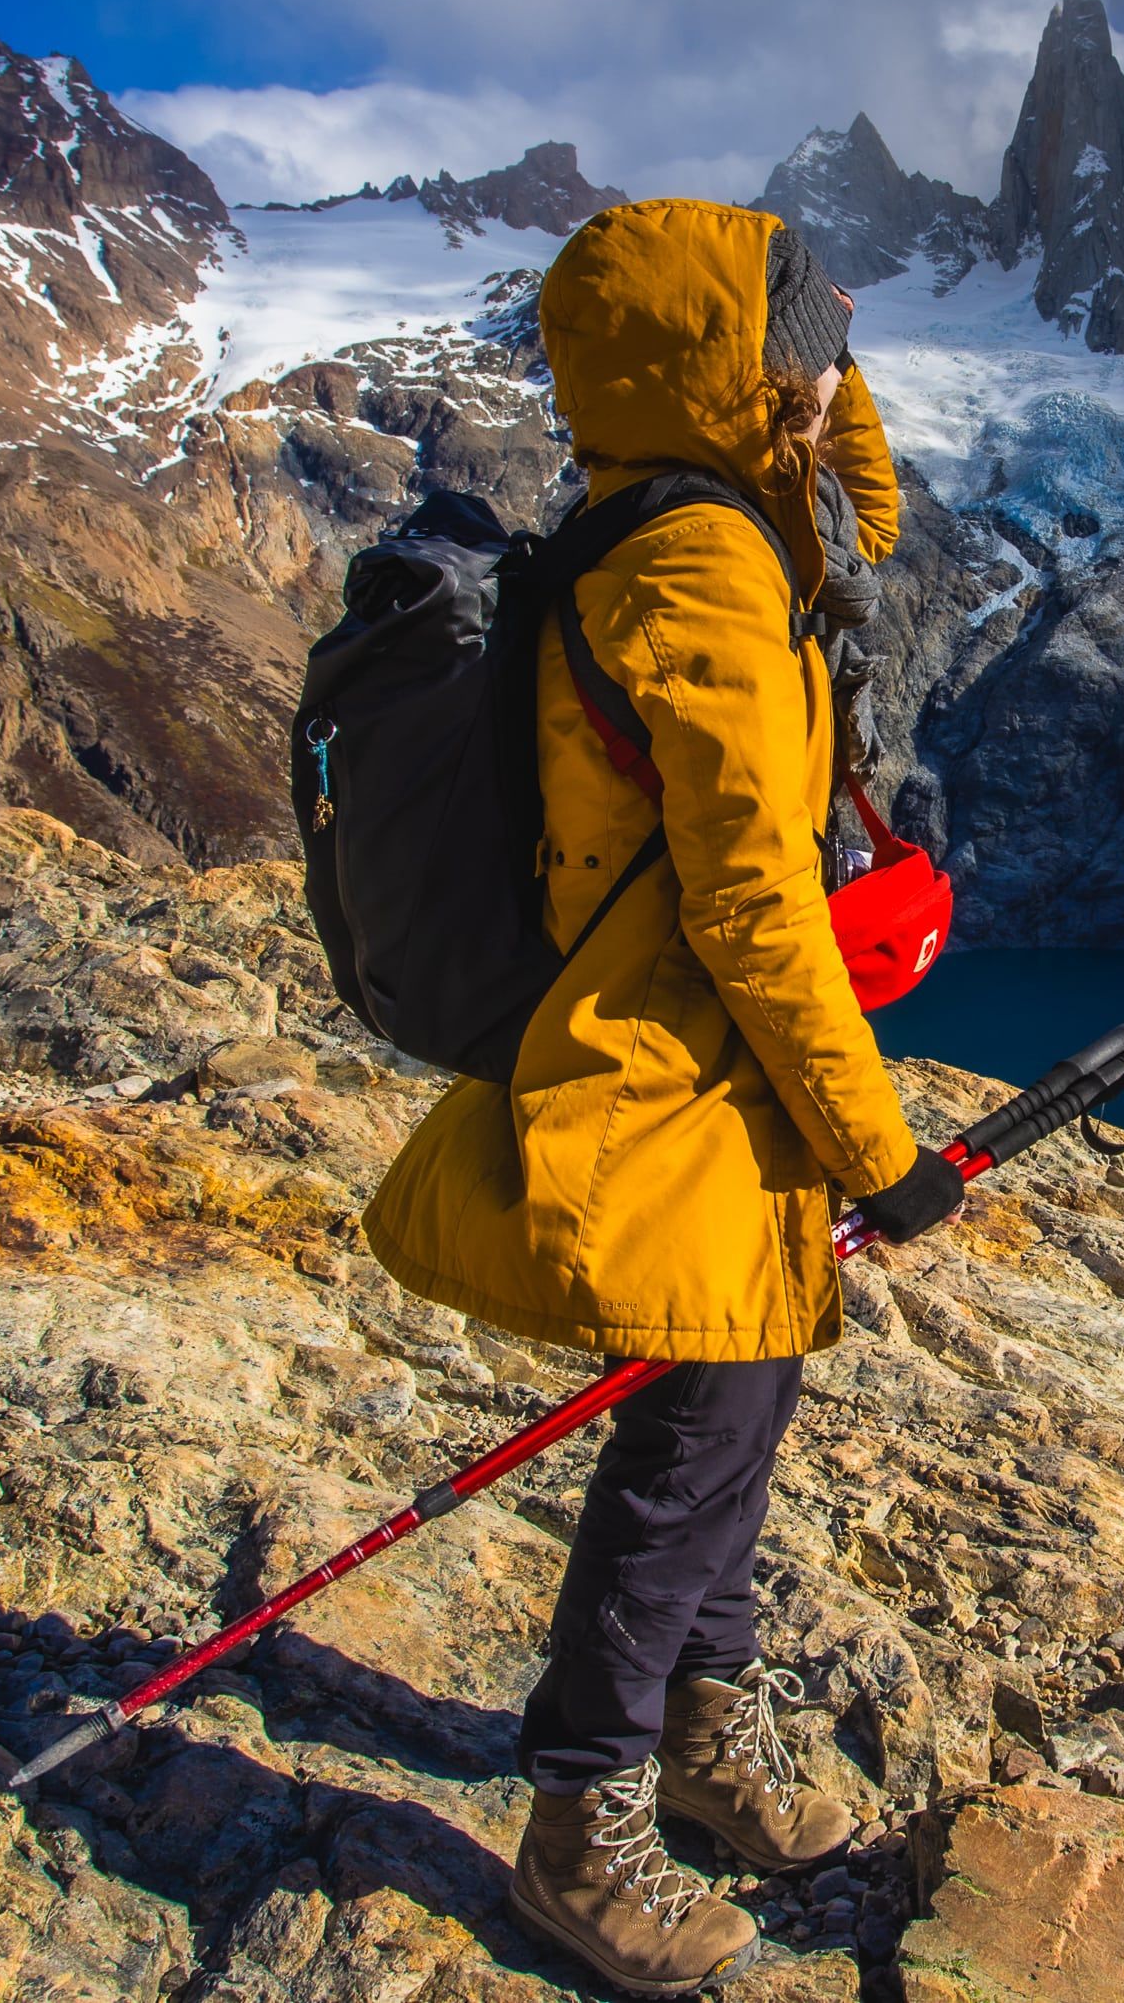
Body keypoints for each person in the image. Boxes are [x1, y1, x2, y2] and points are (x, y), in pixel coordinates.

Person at [361, 199, 963, 1996]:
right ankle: (583, 1820)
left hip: (716, 1058)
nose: (810, 365)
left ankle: (704, 1725)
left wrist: (833, 363)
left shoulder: (709, 511)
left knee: (743, 1392)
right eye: (784, 336)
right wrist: (888, 1153)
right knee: (697, 1432)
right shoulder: (692, 564)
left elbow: (871, 521)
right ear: (719, 364)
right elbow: (751, 901)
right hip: (676, 1059)